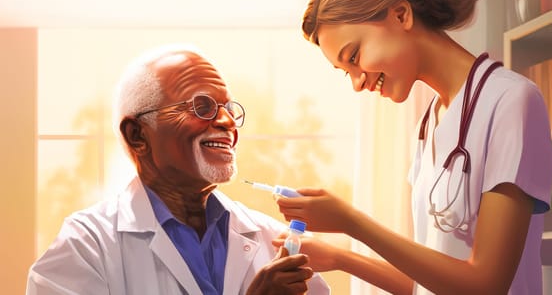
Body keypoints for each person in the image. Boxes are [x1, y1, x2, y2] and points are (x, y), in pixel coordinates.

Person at [274, 0, 552, 294]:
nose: (358, 82)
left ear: (401, 15)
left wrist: (350, 221)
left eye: (355, 57)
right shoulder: (428, 127)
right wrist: (340, 258)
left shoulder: (511, 101)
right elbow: (426, 283)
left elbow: (485, 285)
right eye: (345, 72)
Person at [26, 45, 330, 295]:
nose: (227, 123)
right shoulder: (85, 246)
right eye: (203, 106)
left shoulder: (273, 239)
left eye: (228, 109)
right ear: (138, 135)